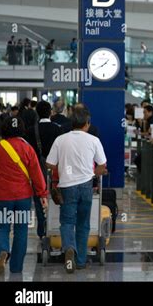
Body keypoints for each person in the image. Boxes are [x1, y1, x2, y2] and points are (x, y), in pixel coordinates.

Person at [46, 106, 107, 273]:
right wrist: (91, 174)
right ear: (87, 124)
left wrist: (63, 164)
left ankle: (69, 248)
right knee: (83, 224)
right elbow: (102, 166)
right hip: (86, 186)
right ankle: (80, 261)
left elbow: (50, 164)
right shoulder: (94, 140)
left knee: (66, 222)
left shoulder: (60, 139)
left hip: (67, 186)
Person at [0, 117, 47, 274]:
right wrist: (42, 194)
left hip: (2, 196)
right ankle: (16, 267)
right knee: (21, 230)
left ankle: (2, 252)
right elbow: (37, 174)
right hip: (23, 198)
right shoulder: (28, 148)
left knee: (1, 227)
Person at [26, 101, 63, 239]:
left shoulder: (30, 130)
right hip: (55, 172)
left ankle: (42, 229)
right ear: (50, 112)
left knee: (39, 200)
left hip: (37, 172)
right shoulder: (58, 129)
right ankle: (55, 227)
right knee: (56, 198)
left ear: (37, 113)